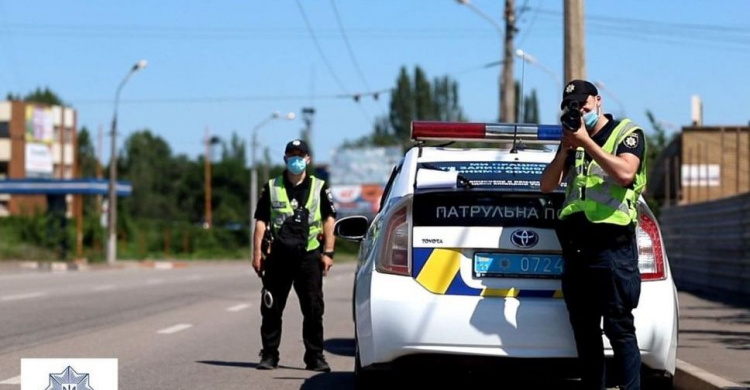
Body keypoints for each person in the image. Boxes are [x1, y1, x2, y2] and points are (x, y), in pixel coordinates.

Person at [540, 79, 647, 390]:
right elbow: (547, 185)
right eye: (573, 108)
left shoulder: (626, 133)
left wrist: (587, 142)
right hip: (578, 249)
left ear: (598, 101)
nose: (580, 112)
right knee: (585, 331)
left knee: (619, 327)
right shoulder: (572, 138)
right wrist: (565, 149)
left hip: (612, 247)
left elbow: (625, 174)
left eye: (584, 106)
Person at [252, 139, 336, 372]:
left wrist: (328, 252)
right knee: (271, 308)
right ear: (285, 159)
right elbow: (261, 221)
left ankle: (315, 357)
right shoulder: (272, 186)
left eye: (300, 156)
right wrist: (257, 253)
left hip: (308, 256)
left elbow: (329, 221)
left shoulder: (319, 187)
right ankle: (269, 355)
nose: (296, 160)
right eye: (292, 156)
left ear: (308, 160)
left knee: (313, 309)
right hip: (278, 256)